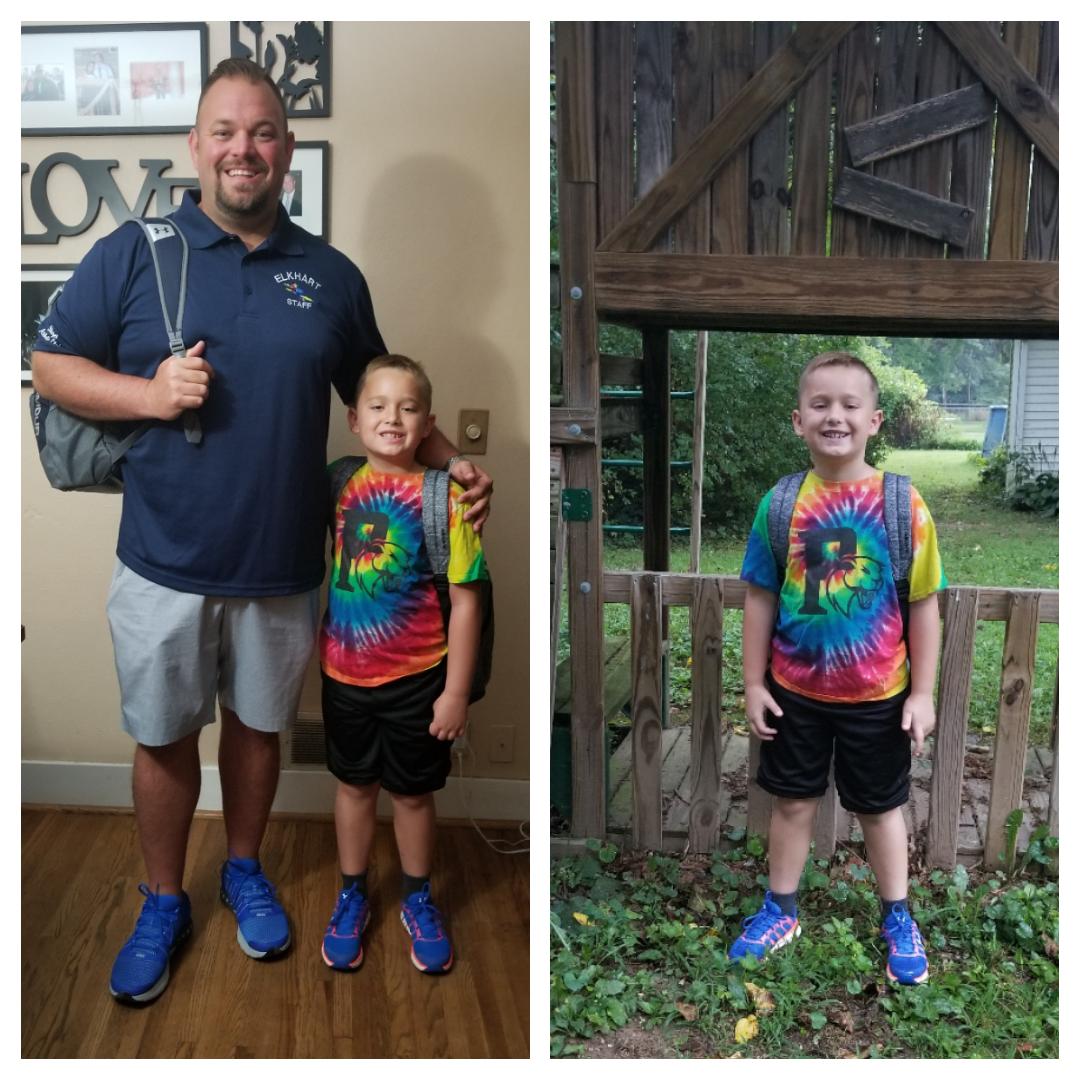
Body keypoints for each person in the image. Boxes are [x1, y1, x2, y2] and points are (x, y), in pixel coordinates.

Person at [30, 57, 492, 1006]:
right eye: (227, 132)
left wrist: (455, 466)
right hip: (162, 559)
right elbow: (48, 365)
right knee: (161, 739)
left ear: (286, 151)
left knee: (256, 731)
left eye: (265, 132)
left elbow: (382, 395)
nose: (246, 149)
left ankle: (243, 868)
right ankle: (162, 899)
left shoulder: (329, 276)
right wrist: (147, 395)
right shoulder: (133, 252)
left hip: (284, 565)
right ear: (195, 145)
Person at [730, 351, 944, 986]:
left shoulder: (902, 505)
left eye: (851, 405)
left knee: (880, 809)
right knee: (791, 804)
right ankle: (781, 909)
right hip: (795, 692)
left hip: (880, 696)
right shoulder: (781, 503)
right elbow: (760, 597)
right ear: (798, 420)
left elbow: (925, 605)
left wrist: (924, 693)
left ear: (875, 420)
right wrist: (750, 684)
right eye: (821, 405)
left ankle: (898, 916)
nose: (835, 417)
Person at [319, 354, 486, 975]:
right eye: (379, 406)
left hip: (420, 681)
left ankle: (418, 897)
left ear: (428, 424)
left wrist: (457, 693)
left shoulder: (446, 500)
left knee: (413, 796)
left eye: (409, 408)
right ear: (354, 420)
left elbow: (467, 603)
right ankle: (351, 893)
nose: (394, 417)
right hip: (342, 677)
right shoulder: (336, 484)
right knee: (353, 786)